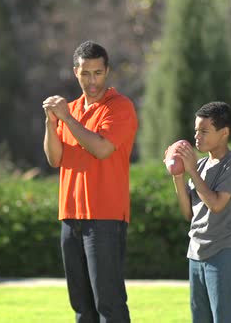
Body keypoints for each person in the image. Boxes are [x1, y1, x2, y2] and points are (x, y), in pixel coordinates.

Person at [42, 40, 138, 322]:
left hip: (105, 218)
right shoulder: (69, 111)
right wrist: (50, 121)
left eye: (97, 73)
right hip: (70, 218)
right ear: (76, 72)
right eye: (86, 73)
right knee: (82, 307)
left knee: (108, 303)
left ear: (107, 71)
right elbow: (53, 159)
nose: (92, 80)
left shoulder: (119, 107)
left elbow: (101, 148)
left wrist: (68, 120)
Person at [169, 101, 231, 323]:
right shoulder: (202, 166)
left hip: (224, 253)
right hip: (196, 254)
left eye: (204, 131)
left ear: (224, 133)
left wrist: (192, 171)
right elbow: (189, 214)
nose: (197, 137)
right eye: (196, 131)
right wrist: (178, 176)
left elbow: (215, 204)